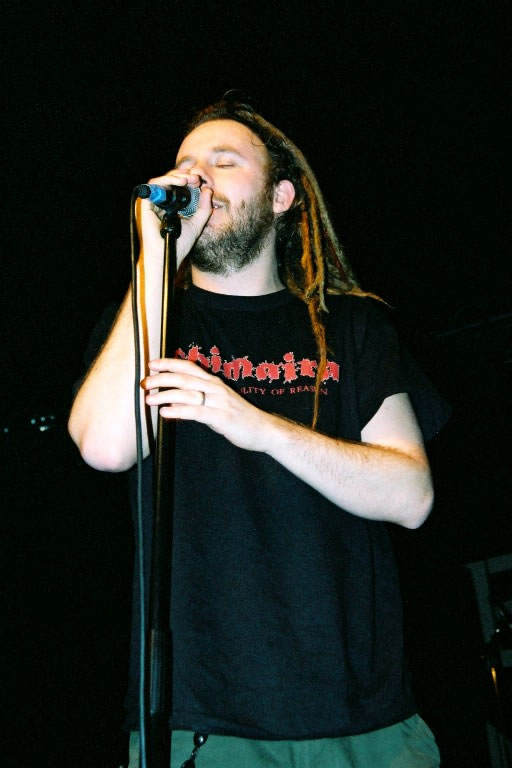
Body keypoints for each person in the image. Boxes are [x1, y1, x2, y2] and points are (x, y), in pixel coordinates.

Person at [68, 99, 449, 767]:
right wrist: (156, 257)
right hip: (204, 721)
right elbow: (104, 445)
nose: (197, 177)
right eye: (186, 164)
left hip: (363, 720)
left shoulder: (351, 328)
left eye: (224, 162)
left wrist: (256, 425)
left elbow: (411, 495)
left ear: (281, 197)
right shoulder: (147, 321)